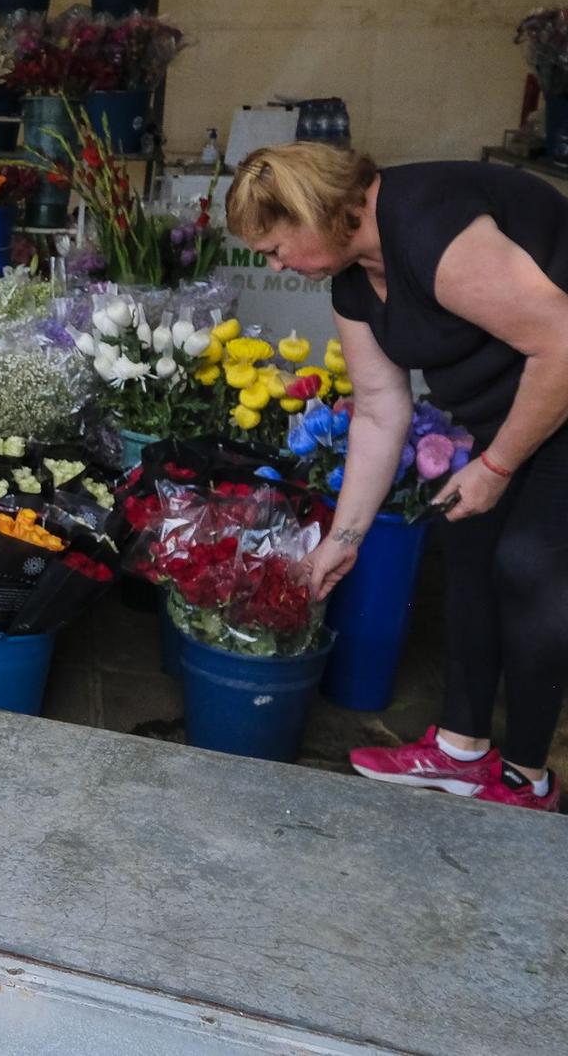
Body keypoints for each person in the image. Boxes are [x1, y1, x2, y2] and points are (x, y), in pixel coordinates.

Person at [227, 144, 568, 813]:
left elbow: (561, 340)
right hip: (513, 410)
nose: (275, 265)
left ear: (310, 213)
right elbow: (381, 413)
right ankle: (461, 751)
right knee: (467, 547)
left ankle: (530, 780)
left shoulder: (433, 229)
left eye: (274, 247)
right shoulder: (354, 283)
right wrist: (342, 539)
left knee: (532, 569)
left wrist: (496, 467)